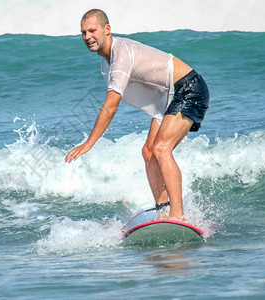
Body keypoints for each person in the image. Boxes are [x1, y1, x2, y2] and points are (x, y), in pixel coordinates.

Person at [65, 9, 210, 221]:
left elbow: (110, 107)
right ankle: (163, 209)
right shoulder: (108, 61)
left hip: (188, 88)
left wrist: (89, 143)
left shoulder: (121, 56)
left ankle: (178, 215)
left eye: (92, 31)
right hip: (168, 96)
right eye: (83, 32)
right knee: (149, 151)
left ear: (107, 29)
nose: (87, 37)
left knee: (161, 149)